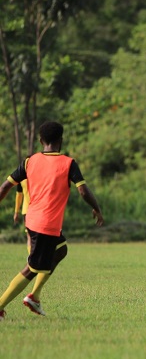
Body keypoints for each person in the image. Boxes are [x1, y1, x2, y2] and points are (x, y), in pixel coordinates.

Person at [0, 121, 104, 322]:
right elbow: (82, 190)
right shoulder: (68, 163)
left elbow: (4, 187)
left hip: (34, 220)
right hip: (45, 225)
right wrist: (97, 209)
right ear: (61, 140)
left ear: (41, 141)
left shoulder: (30, 161)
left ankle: (34, 297)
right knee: (31, 268)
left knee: (61, 250)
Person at [13, 179, 68, 315]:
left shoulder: (27, 173)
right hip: (38, 212)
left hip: (33, 211)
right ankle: (33, 260)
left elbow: (17, 192)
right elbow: (19, 193)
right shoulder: (35, 172)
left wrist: (16, 211)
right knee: (51, 253)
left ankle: (34, 294)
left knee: (58, 249)